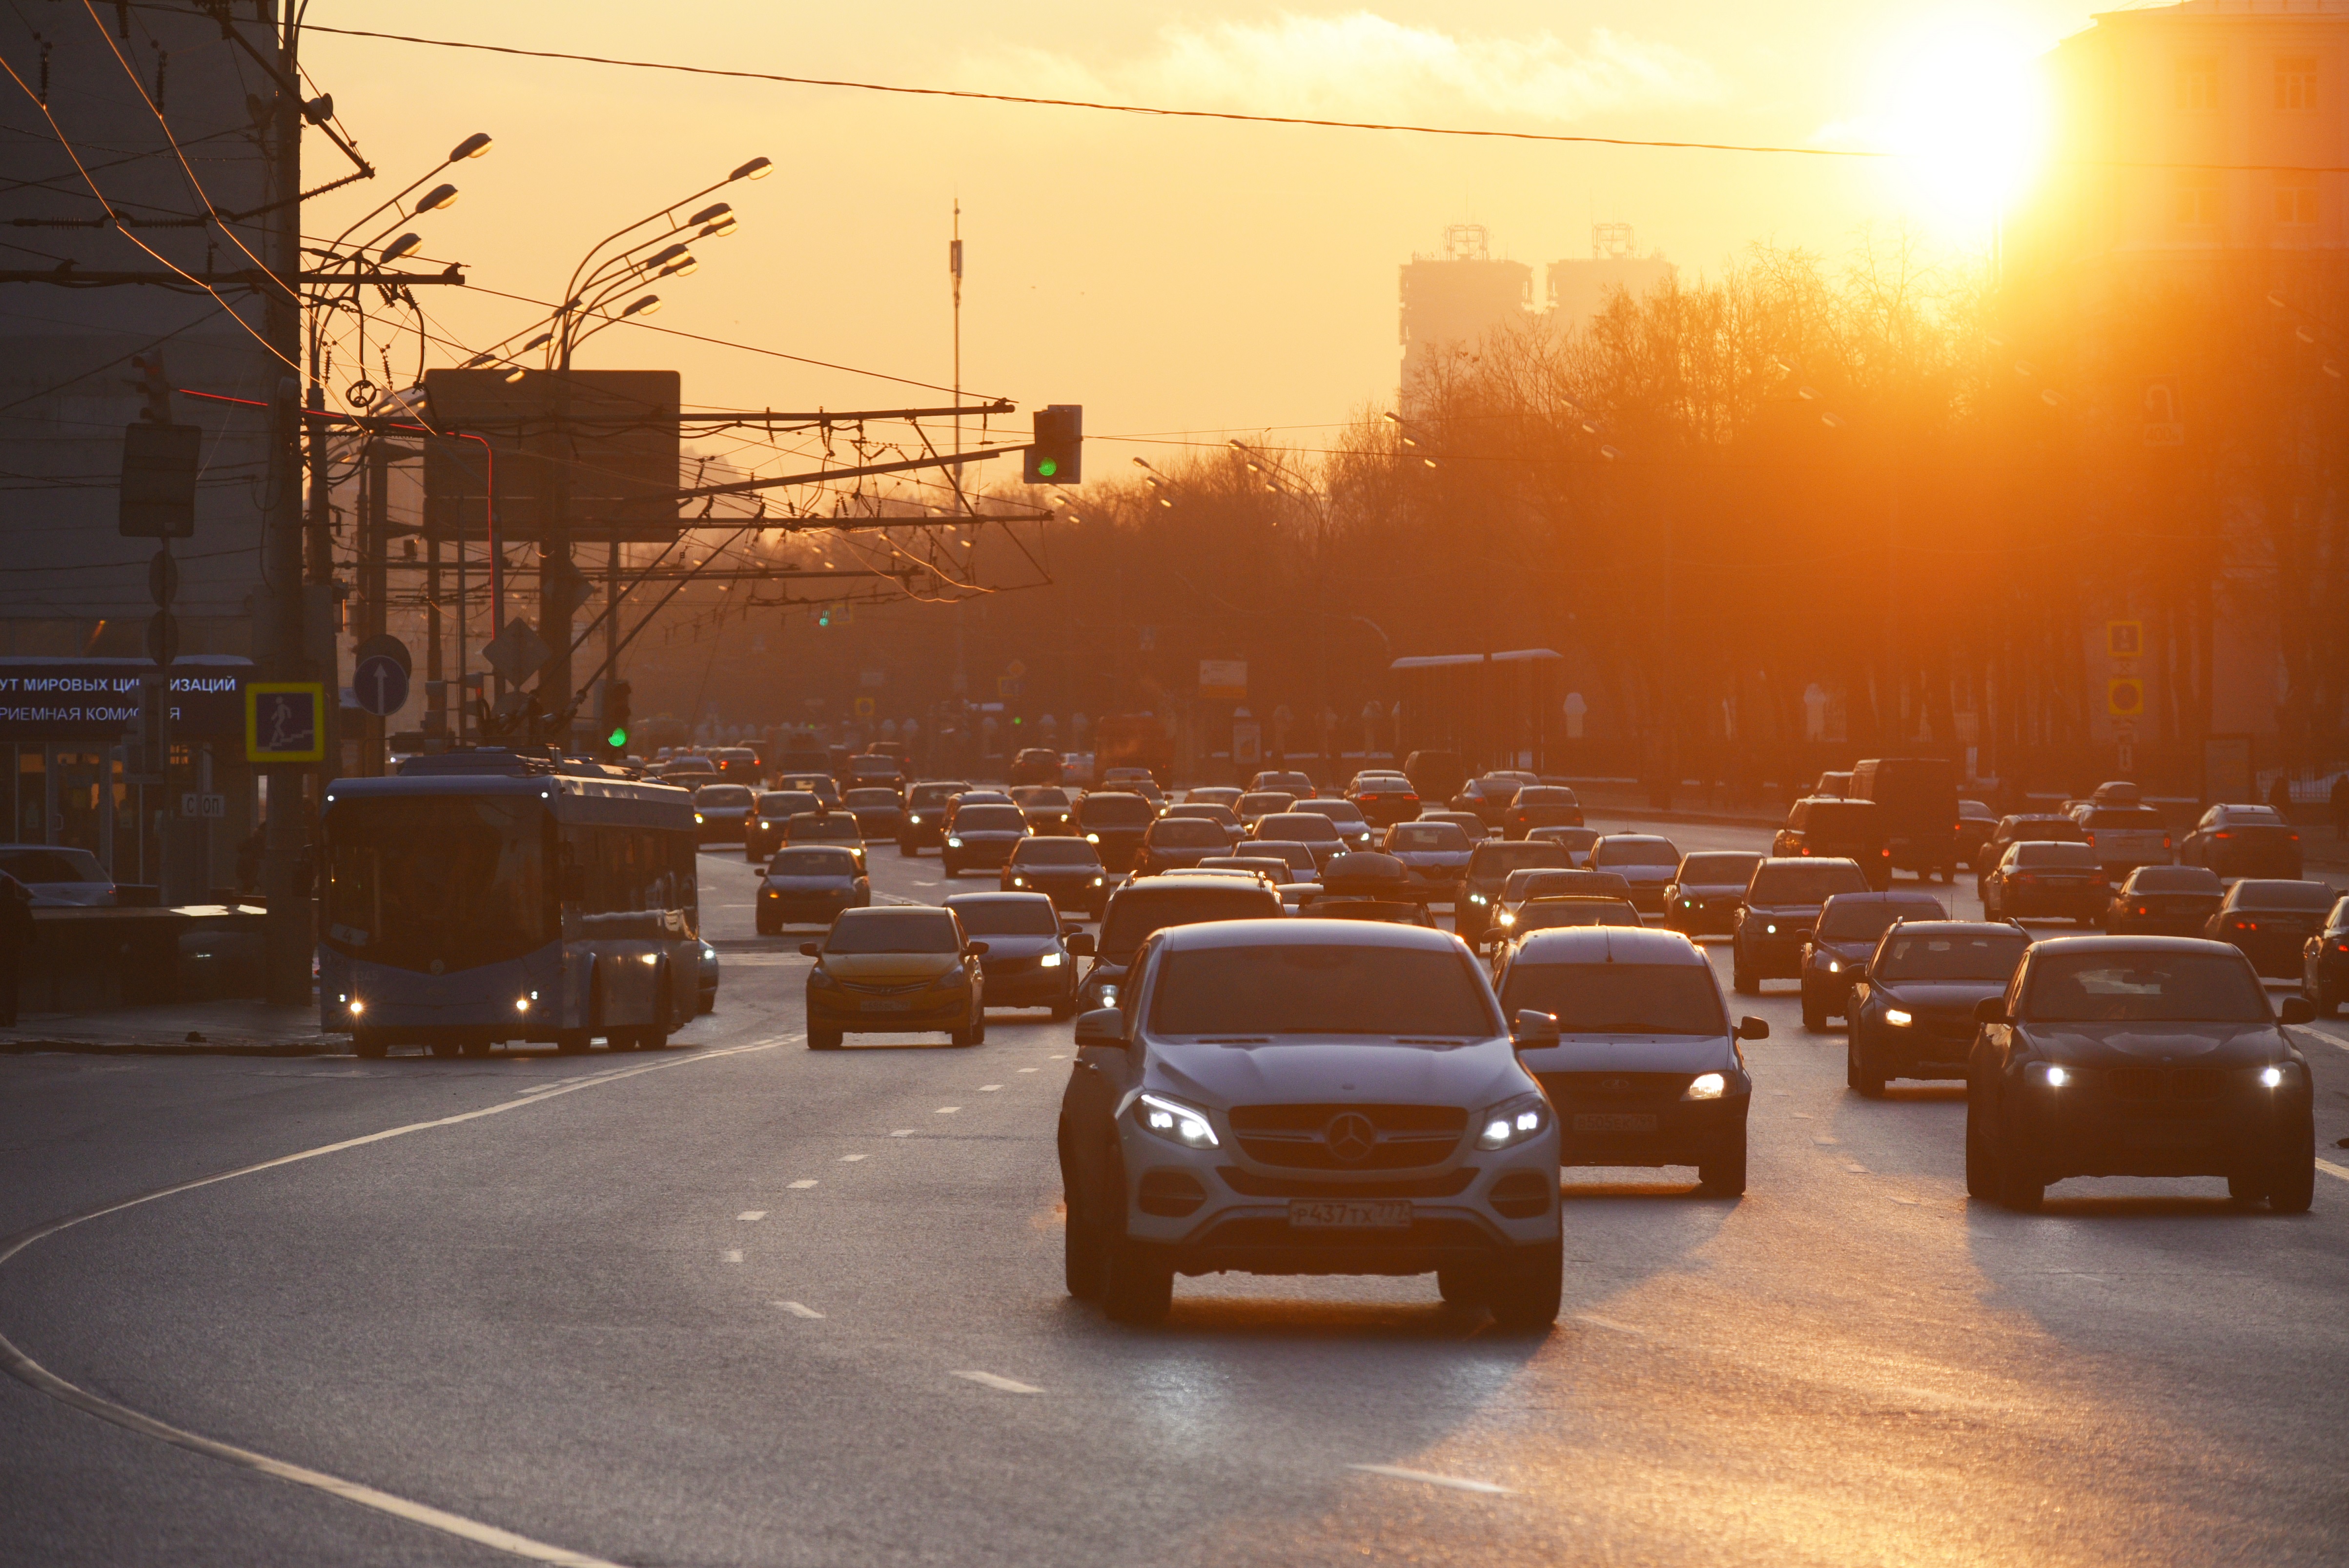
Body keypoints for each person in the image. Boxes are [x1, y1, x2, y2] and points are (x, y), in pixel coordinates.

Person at [0, 871, 34, 1028]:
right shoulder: (21, 905)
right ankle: (11, 1017)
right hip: (15, 949)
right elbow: (31, 928)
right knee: (12, 985)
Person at [2331, 774, 2349, 841]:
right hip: (2339, 807)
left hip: (2346, 807)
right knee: (2340, 821)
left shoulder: (2338, 787)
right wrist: (2333, 806)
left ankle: (2344, 834)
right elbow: (2333, 798)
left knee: (2345, 822)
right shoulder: (2337, 787)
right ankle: (2340, 834)